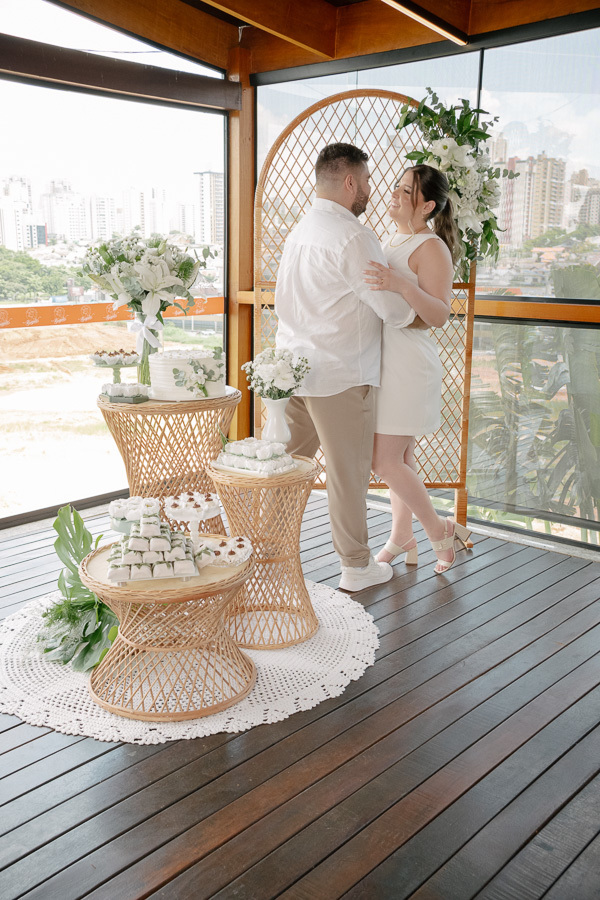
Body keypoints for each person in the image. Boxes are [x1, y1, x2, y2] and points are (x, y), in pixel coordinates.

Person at [275, 143, 416, 592]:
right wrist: (416, 304)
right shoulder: (354, 236)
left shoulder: (300, 231)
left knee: (285, 470)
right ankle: (356, 566)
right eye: (369, 181)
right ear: (351, 181)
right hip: (340, 373)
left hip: (293, 369)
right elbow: (391, 309)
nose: (372, 191)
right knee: (347, 474)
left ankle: (266, 551)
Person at [363, 164, 471, 574]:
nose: (394, 192)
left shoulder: (431, 247)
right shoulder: (396, 238)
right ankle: (400, 536)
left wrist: (401, 285)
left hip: (407, 362)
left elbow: (441, 314)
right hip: (385, 359)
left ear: (426, 205)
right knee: (401, 461)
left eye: (406, 190)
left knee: (385, 462)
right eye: (396, 185)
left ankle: (438, 532)